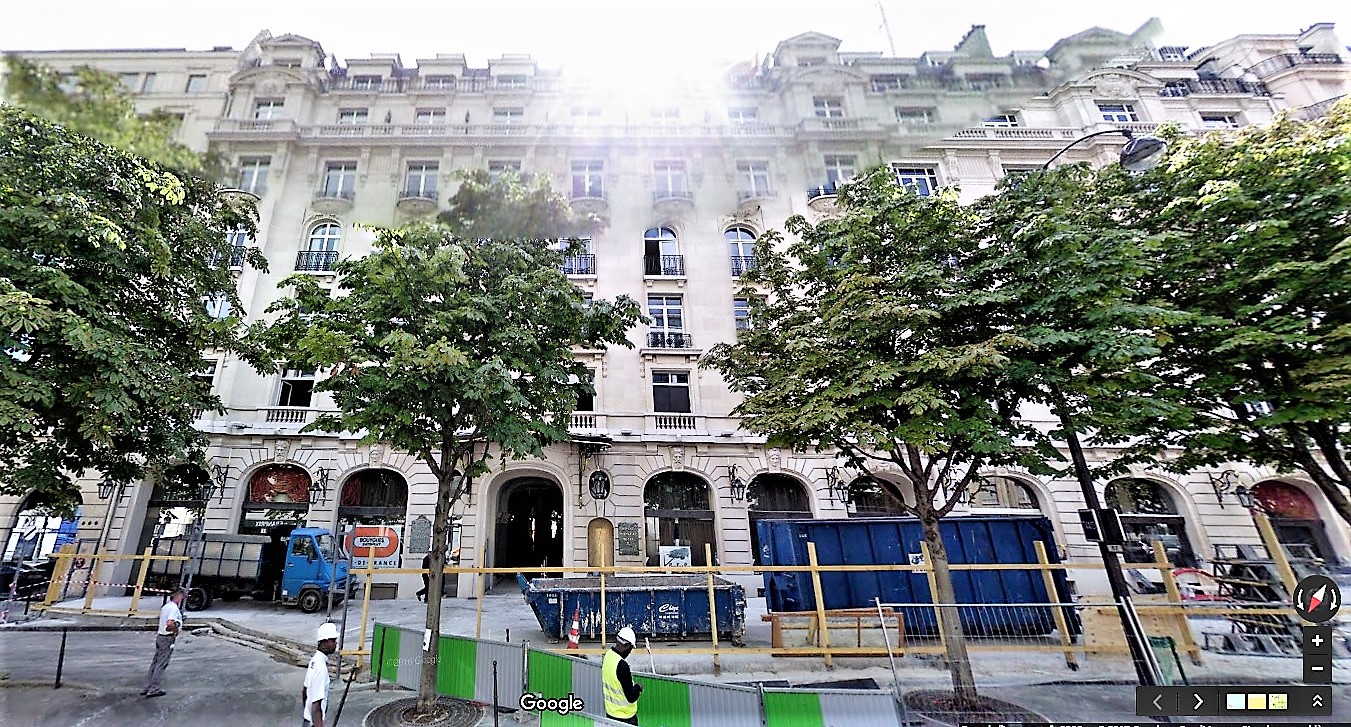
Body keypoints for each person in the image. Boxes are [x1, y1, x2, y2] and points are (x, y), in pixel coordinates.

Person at [141, 588, 186, 697]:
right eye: (182, 596)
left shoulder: (166, 607)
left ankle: (147, 686)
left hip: (160, 636)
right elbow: (170, 623)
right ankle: (154, 688)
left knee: (155, 662)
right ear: (178, 596)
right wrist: (175, 631)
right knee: (161, 664)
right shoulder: (173, 608)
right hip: (167, 638)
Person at [602, 626, 643, 725]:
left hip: (610, 714)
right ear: (626, 646)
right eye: (630, 648)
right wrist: (638, 687)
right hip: (625, 717)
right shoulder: (622, 666)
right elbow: (631, 697)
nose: (629, 652)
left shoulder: (608, 656)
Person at [303, 622, 339, 727]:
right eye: (333, 640)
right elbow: (316, 706)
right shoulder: (321, 668)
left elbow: (305, 691)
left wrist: (307, 713)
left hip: (307, 720)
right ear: (325, 642)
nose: (336, 643)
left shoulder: (314, 661)